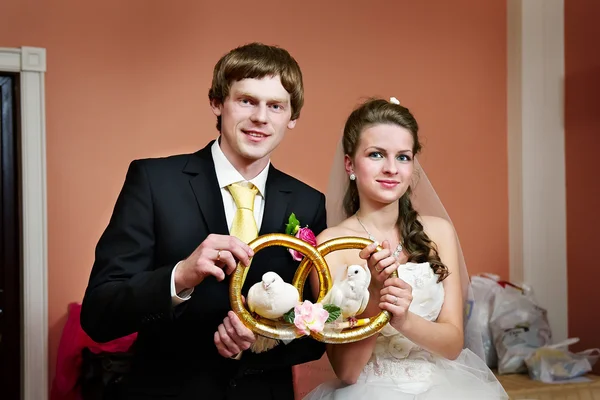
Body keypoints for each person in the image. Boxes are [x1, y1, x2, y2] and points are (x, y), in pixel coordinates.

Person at [80, 42, 327, 400]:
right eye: (246, 101)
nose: (261, 117)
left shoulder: (309, 202)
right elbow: (99, 315)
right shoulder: (154, 182)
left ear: (292, 118)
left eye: (275, 106)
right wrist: (180, 276)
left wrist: (262, 341)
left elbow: (317, 332)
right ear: (217, 102)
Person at [304, 98, 508, 399]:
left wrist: (404, 319)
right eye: (376, 154)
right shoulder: (331, 245)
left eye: (403, 157)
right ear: (350, 163)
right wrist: (375, 297)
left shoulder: (439, 232)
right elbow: (346, 371)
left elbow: (453, 345)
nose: (390, 168)